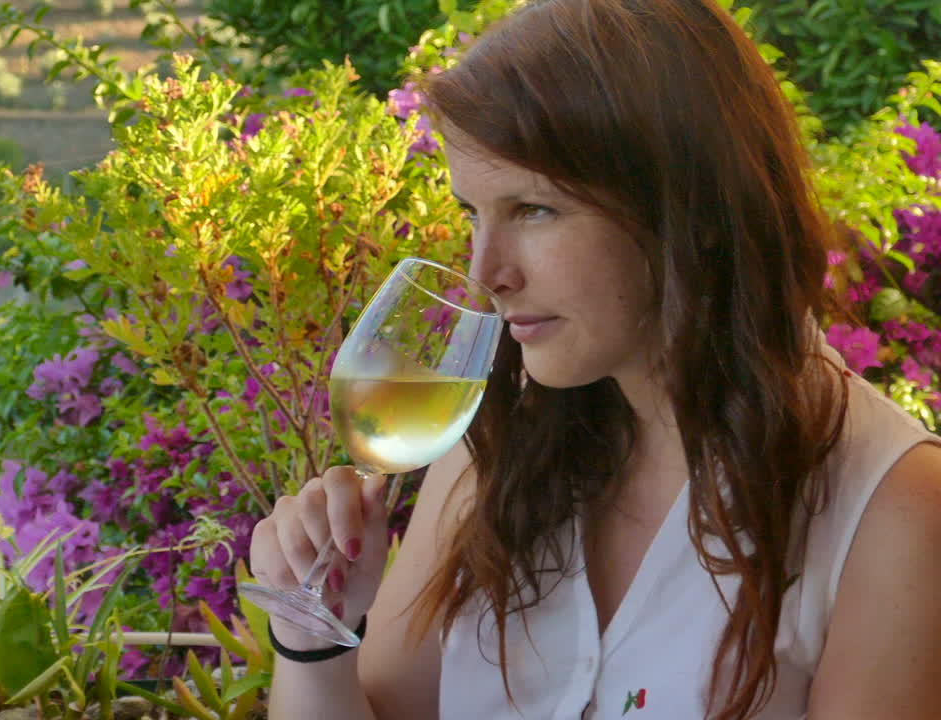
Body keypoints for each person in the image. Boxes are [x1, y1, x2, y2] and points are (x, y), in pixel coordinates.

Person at [246, 0, 941, 718]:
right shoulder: (495, 449)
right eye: (472, 213)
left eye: (535, 210)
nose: (487, 272)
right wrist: (313, 642)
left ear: (692, 211)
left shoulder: (889, 508)